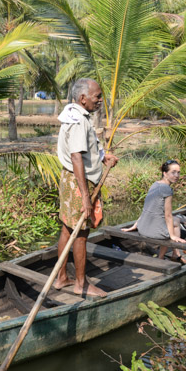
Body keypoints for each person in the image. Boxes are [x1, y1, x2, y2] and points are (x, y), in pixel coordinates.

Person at [55, 78, 118, 297]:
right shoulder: (79, 121)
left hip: (70, 179)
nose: (100, 100)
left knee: (67, 228)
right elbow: (76, 157)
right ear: (83, 99)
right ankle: (80, 284)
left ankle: (61, 277)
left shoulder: (74, 114)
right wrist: (85, 197)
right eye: (97, 96)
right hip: (78, 183)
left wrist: (103, 157)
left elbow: (84, 150)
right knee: (81, 233)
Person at [121, 159, 186, 262]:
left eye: (178, 172)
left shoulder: (155, 184)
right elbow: (168, 215)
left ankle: (174, 253)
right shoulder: (166, 189)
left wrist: (135, 226)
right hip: (154, 232)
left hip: (142, 228)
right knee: (175, 223)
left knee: (175, 221)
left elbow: (147, 208)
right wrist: (172, 236)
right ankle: (169, 255)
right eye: (173, 172)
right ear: (165, 173)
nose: (176, 175)